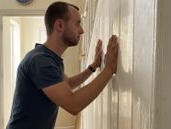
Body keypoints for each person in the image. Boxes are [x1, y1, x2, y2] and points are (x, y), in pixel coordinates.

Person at [6, 1, 118, 129]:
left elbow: (68, 84)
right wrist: (108, 70)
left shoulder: (49, 58)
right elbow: (73, 105)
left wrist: (92, 67)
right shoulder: (41, 61)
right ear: (59, 25)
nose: (81, 31)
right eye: (77, 24)